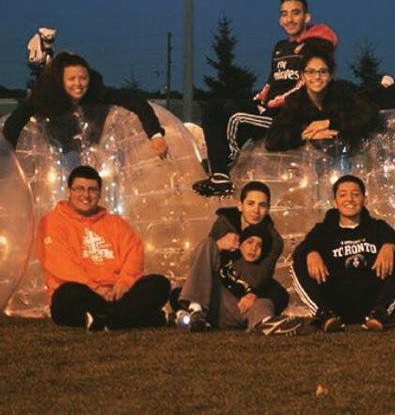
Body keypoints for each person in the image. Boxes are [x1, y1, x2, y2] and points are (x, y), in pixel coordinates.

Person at [194, 0, 395, 197]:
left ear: (306, 17)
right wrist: (263, 94)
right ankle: (391, 88)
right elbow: (274, 79)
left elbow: (318, 62)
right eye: (284, 14)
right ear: (279, 19)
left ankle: (225, 168)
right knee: (213, 107)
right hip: (273, 105)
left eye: (296, 13)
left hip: (289, 110)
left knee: (234, 116)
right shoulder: (280, 47)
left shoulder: (314, 44)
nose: (290, 19)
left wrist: (284, 98)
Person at [35, 165, 170, 330]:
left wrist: (124, 284)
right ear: (69, 191)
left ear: (99, 194)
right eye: (80, 189)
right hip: (83, 294)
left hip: (118, 294)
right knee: (66, 295)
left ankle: (104, 320)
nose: (86, 195)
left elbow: (133, 255)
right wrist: (97, 289)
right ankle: (134, 318)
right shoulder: (52, 221)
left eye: (92, 190)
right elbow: (61, 266)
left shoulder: (115, 223)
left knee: (159, 284)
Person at [174, 181, 300, 335]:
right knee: (207, 246)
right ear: (240, 205)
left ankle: (266, 323)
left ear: (268, 209)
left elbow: (260, 278)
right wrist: (219, 245)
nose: (256, 210)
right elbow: (201, 262)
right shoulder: (223, 224)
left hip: (240, 301)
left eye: (262, 205)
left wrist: (253, 293)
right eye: (251, 204)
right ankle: (196, 310)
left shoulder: (273, 240)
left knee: (268, 298)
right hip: (214, 293)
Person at [291, 174, 395, 332]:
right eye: (343, 195)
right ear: (335, 202)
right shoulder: (322, 230)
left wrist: (390, 246)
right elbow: (299, 252)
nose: (349, 199)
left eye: (355, 194)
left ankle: (380, 314)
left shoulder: (378, 227)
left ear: (365, 200)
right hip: (335, 300)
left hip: (371, 300)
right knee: (298, 263)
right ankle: (324, 315)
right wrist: (311, 252)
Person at [2, 51, 168, 159]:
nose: (78, 84)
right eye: (72, 79)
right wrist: (8, 157)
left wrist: (155, 136)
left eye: (83, 78)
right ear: (60, 81)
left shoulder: (97, 92)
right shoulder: (45, 96)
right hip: (54, 155)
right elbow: (14, 122)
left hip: (93, 154)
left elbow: (136, 102)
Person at [265, 49, 381, 152]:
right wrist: (305, 134)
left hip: (351, 156)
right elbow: (272, 140)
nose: (317, 77)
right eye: (310, 72)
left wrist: (329, 123)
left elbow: (371, 114)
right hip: (311, 164)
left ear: (330, 75)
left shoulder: (344, 91)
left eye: (323, 72)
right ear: (302, 76)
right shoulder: (295, 100)